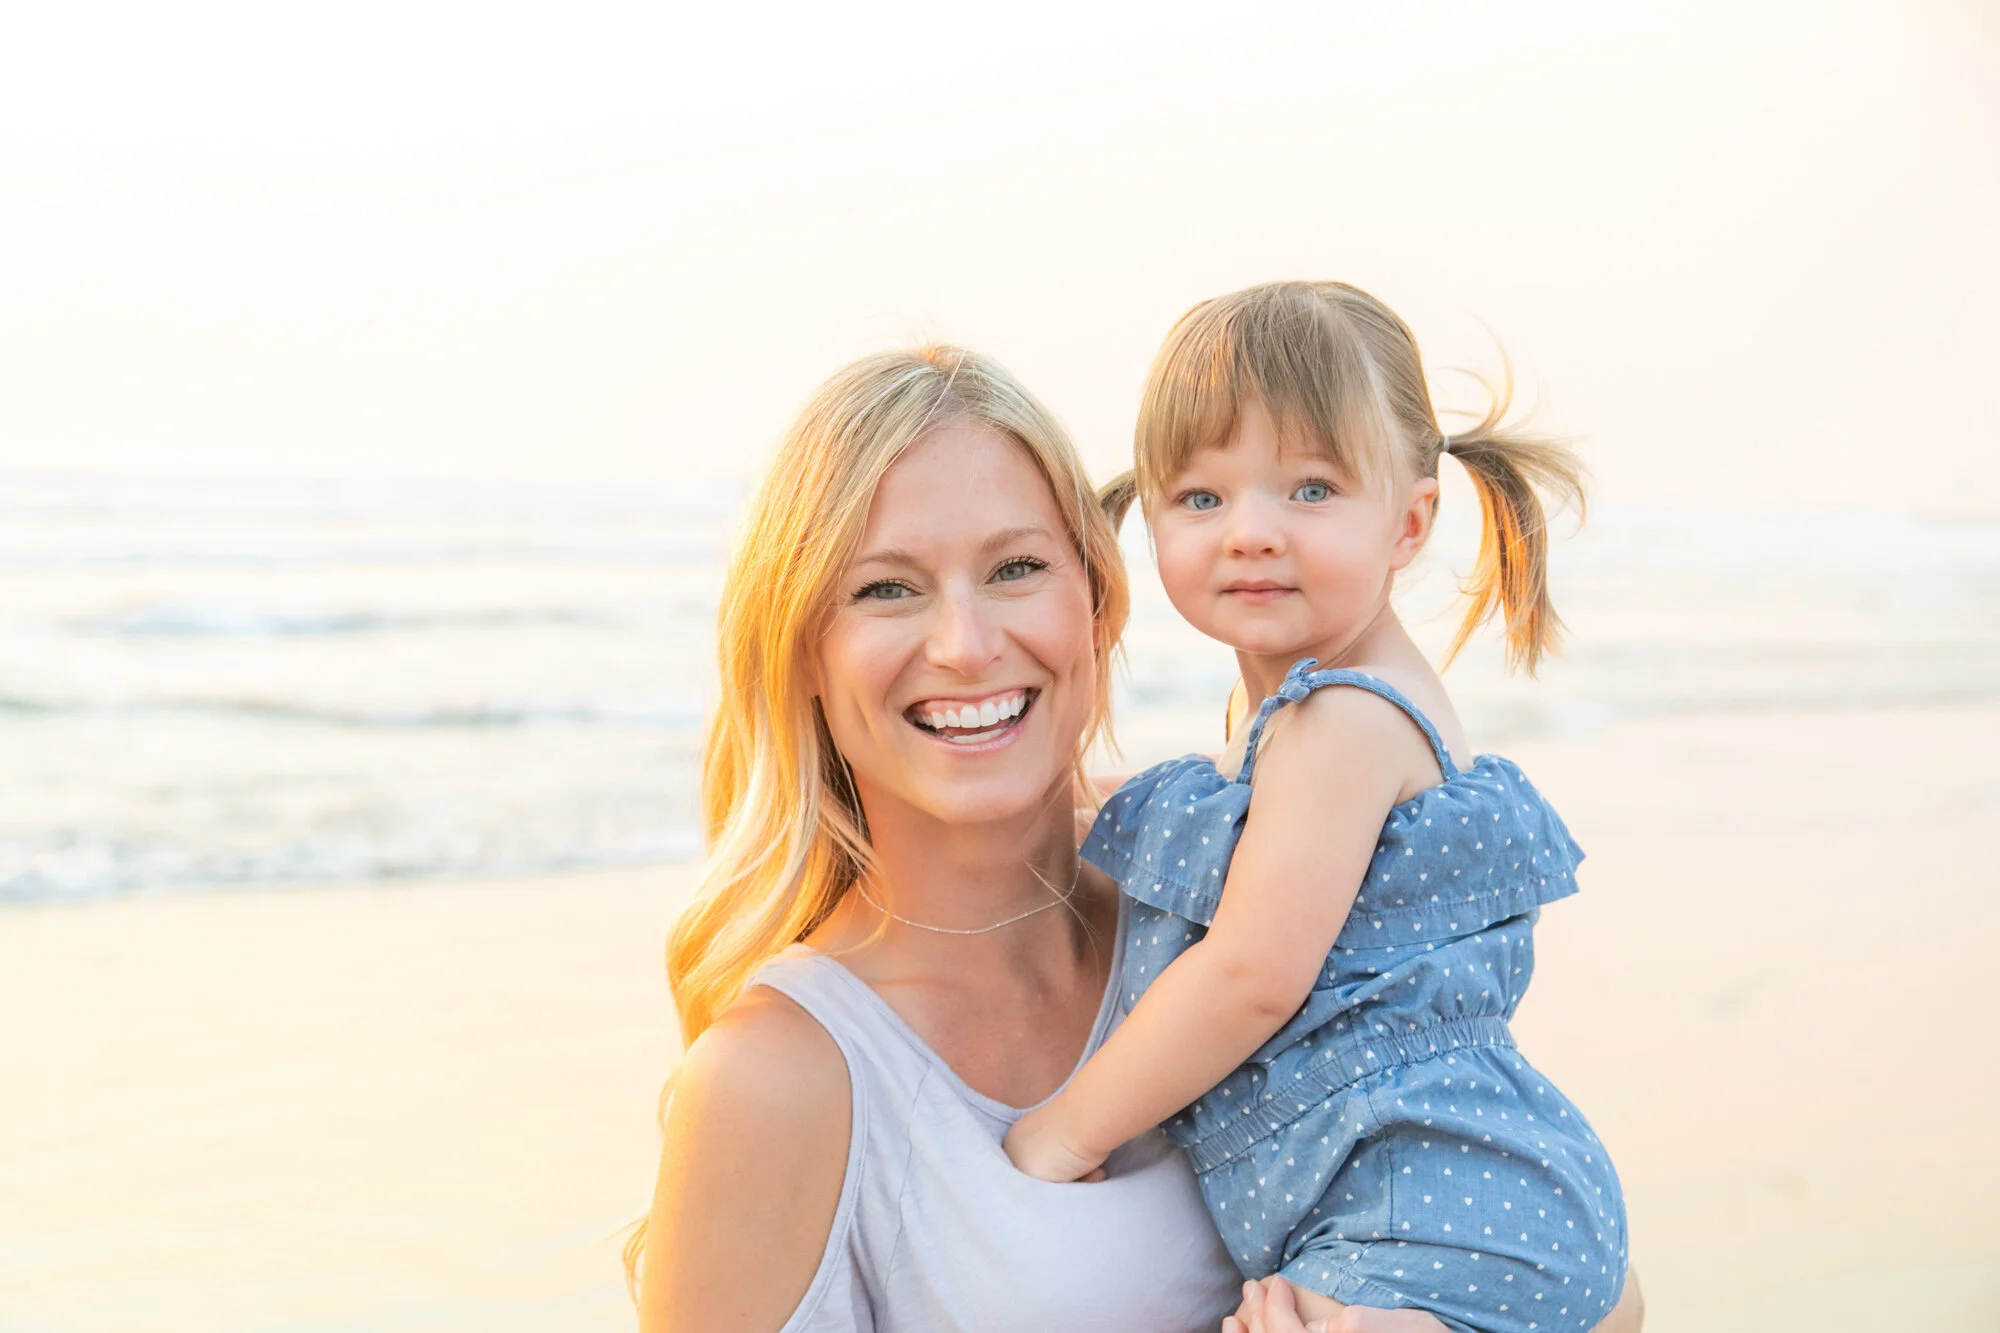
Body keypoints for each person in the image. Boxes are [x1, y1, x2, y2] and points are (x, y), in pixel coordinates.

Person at [637, 345, 1414, 1331]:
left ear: (1094, 605)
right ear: (801, 653)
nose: (963, 643)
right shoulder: (776, 1080)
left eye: (1014, 569)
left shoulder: (1233, 896)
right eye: (886, 588)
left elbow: (1583, 1271)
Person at [1003, 282, 1645, 1333]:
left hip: (1433, 1220)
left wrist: (1066, 1132)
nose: (1249, 532)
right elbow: (1202, 825)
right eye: (1200, 498)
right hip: (1437, 1206)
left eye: (1309, 489)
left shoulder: (1340, 720)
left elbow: (1252, 972)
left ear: (1408, 519)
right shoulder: (1298, 733)